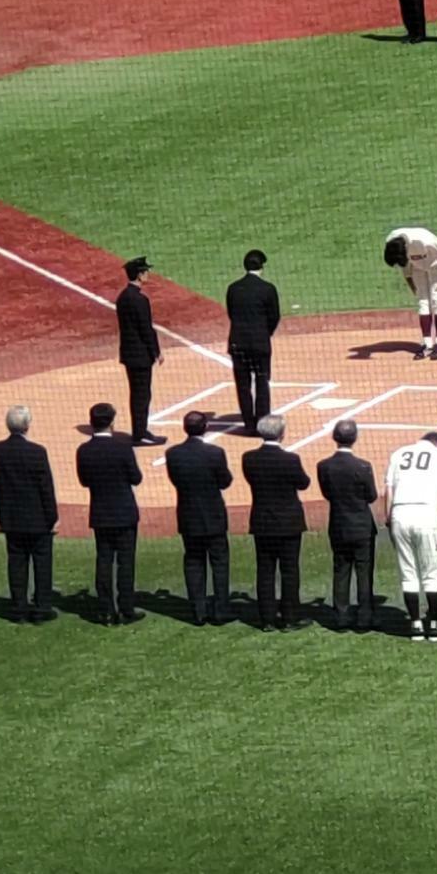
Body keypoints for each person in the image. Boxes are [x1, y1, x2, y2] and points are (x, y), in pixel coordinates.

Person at [0, 404, 58, 622]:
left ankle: (18, 608)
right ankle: (42, 608)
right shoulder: (37, 452)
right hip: (38, 520)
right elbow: (46, 488)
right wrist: (52, 517)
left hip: (11, 519)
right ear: (27, 425)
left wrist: (1, 516)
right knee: (42, 563)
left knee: (16, 563)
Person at [386, 430, 437, 640]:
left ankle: (416, 625)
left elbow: (388, 491)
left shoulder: (398, 454)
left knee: (408, 573)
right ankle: (434, 625)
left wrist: (390, 522)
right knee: (431, 572)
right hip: (426, 514)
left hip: (399, 513)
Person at [76, 401, 143, 624]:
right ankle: (126, 609)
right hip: (124, 512)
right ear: (112, 422)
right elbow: (136, 478)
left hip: (101, 513)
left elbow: (84, 481)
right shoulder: (123, 447)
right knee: (126, 562)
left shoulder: (84, 450)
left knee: (103, 560)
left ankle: (105, 609)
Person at [242, 415, 311, 630]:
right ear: (282, 433)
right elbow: (304, 483)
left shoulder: (249, 458)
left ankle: (267, 619)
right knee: (290, 571)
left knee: (265, 570)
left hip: (262, 522)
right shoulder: (290, 459)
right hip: (288, 523)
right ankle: (290, 617)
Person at [164, 410, 233, 624]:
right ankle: (221, 610)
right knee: (219, 563)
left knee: (194, 562)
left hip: (188, 516)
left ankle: (198, 611)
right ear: (206, 428)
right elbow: (225, 481)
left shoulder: (173, 454)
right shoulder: (215, 453)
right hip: (213, 517)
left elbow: (175, 480)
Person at [317, 419, 380, 630]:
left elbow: (327, 493)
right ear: (354, 438)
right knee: (364, 572)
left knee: (341, 570)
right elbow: (371, 496)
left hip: (338, 525)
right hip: (362, 526)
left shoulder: (324, 466)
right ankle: (365, 616)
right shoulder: (362, 466)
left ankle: (341, 616)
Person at [224, 249, 280, 433]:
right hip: (260, 344)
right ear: (261, 266)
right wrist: (265, 334)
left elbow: (231, 313)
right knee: (262, 381)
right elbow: (274, 317)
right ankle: (262, 422)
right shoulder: (268, 289)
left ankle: (248, 424)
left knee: (243, 384)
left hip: (238, 344)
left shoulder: (233, 288)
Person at [114, 256, 165, 446]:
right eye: (145, 271)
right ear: (139, 274)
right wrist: (156, 352)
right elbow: (146, 329)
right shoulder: (140, 300)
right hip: (141, 355)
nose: (148, 274)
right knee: (142, 395)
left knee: (137, 393)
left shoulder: (123, 297)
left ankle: (140, 430)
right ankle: (140, 433)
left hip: (128, 353)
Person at [383, 227, 437, 360]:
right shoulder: (393, 244)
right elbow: (404, 264)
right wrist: (409, 281)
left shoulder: (426, 242)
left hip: (434, 264)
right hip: (417, 268)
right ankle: (427, 343)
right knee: (423, 301)